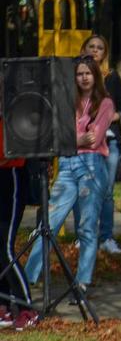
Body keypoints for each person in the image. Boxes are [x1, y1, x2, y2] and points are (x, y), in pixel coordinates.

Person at [24, 56, 114, 297]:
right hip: (66, 165)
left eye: (88, 73)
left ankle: (82, 281)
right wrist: (75, 139)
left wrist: (69, 139)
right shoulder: (66, 104)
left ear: (96, 76)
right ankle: (29, 278)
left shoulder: (105, 104)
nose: (84, 78)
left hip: (91, 167)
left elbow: (94, 138)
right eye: (79, 74)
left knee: (86, 227)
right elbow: (55, 138)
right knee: (49, 224)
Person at [72, 34, 121, 255]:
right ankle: (83, 237)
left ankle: (106, 237)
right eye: (91, 47)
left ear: (105, 53)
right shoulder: (76, 76)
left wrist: (111, 116)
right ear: (84, 48)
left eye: (100, 48)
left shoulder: (111, 77)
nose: (95, 51)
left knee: (106, 191)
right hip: (82, 142)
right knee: (81, 190)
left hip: (109, 141)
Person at [0, 77, 38, 331]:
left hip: (10, 177)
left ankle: (27, 308)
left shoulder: (16, 113)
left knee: (4, 247)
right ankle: (3, 306)